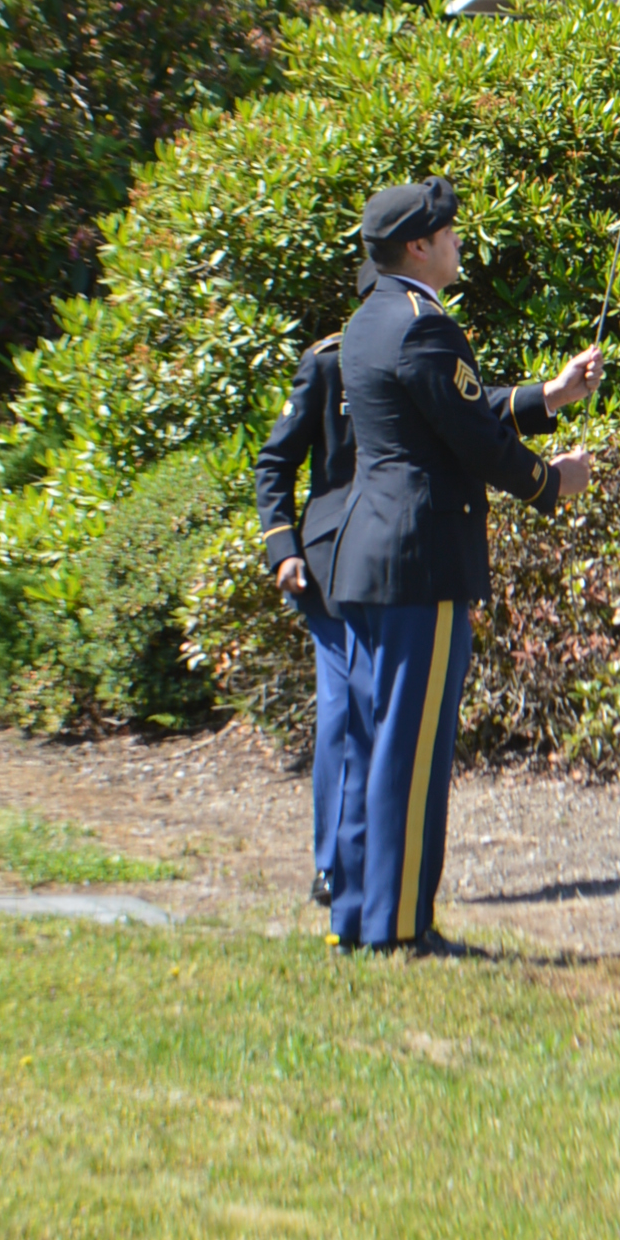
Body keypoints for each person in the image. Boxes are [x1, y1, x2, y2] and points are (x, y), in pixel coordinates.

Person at [326, 178, 600, 956]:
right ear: (418, 246)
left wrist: (549, 396)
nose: (456, 241)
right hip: (422, 558)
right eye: (447, 232)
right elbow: (474, 441)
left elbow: (451, 412)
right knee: (411, 749)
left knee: (370, 742)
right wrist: (552, 481)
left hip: (368, 553)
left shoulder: (369, 320)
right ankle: (400, 926)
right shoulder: (425, 327)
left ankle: (357, 915)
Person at [255, 317, 358, 908]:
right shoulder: (328, 361)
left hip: (405, 559)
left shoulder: (426, 345)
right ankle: (333, 864)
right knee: (342, 713)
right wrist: (283, 547)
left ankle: (381, 857)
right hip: (332, 562)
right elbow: (276, 461)